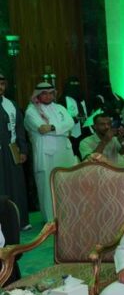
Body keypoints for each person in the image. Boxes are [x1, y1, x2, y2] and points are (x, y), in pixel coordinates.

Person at [24, 82, 76, 222]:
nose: (48, 96)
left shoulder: (60, 108)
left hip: (65, 151)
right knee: (47, 186)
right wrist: (62, 130)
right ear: (37, 95)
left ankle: (68, 216)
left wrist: (52, 128)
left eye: (50, 93)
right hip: (45, 155)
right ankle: (50, 220)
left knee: (67, 183)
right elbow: (41, 129)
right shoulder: (31, 111)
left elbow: (71, 123)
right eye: (44, 94)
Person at [0, 73, 29, 229]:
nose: (0, 87)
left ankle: (20, 221)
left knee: (16, 186)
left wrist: (23, 150)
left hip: (11, 150)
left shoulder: (11, 104)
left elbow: (19, 129)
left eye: (2, 84)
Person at [59, 76, 87, 156]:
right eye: (72, 83)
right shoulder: (63, 99)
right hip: (71, 134)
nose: (75, 86)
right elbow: (61, 118)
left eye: (77, 83)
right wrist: (75, 119)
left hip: (84, 130)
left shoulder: (82, 98)